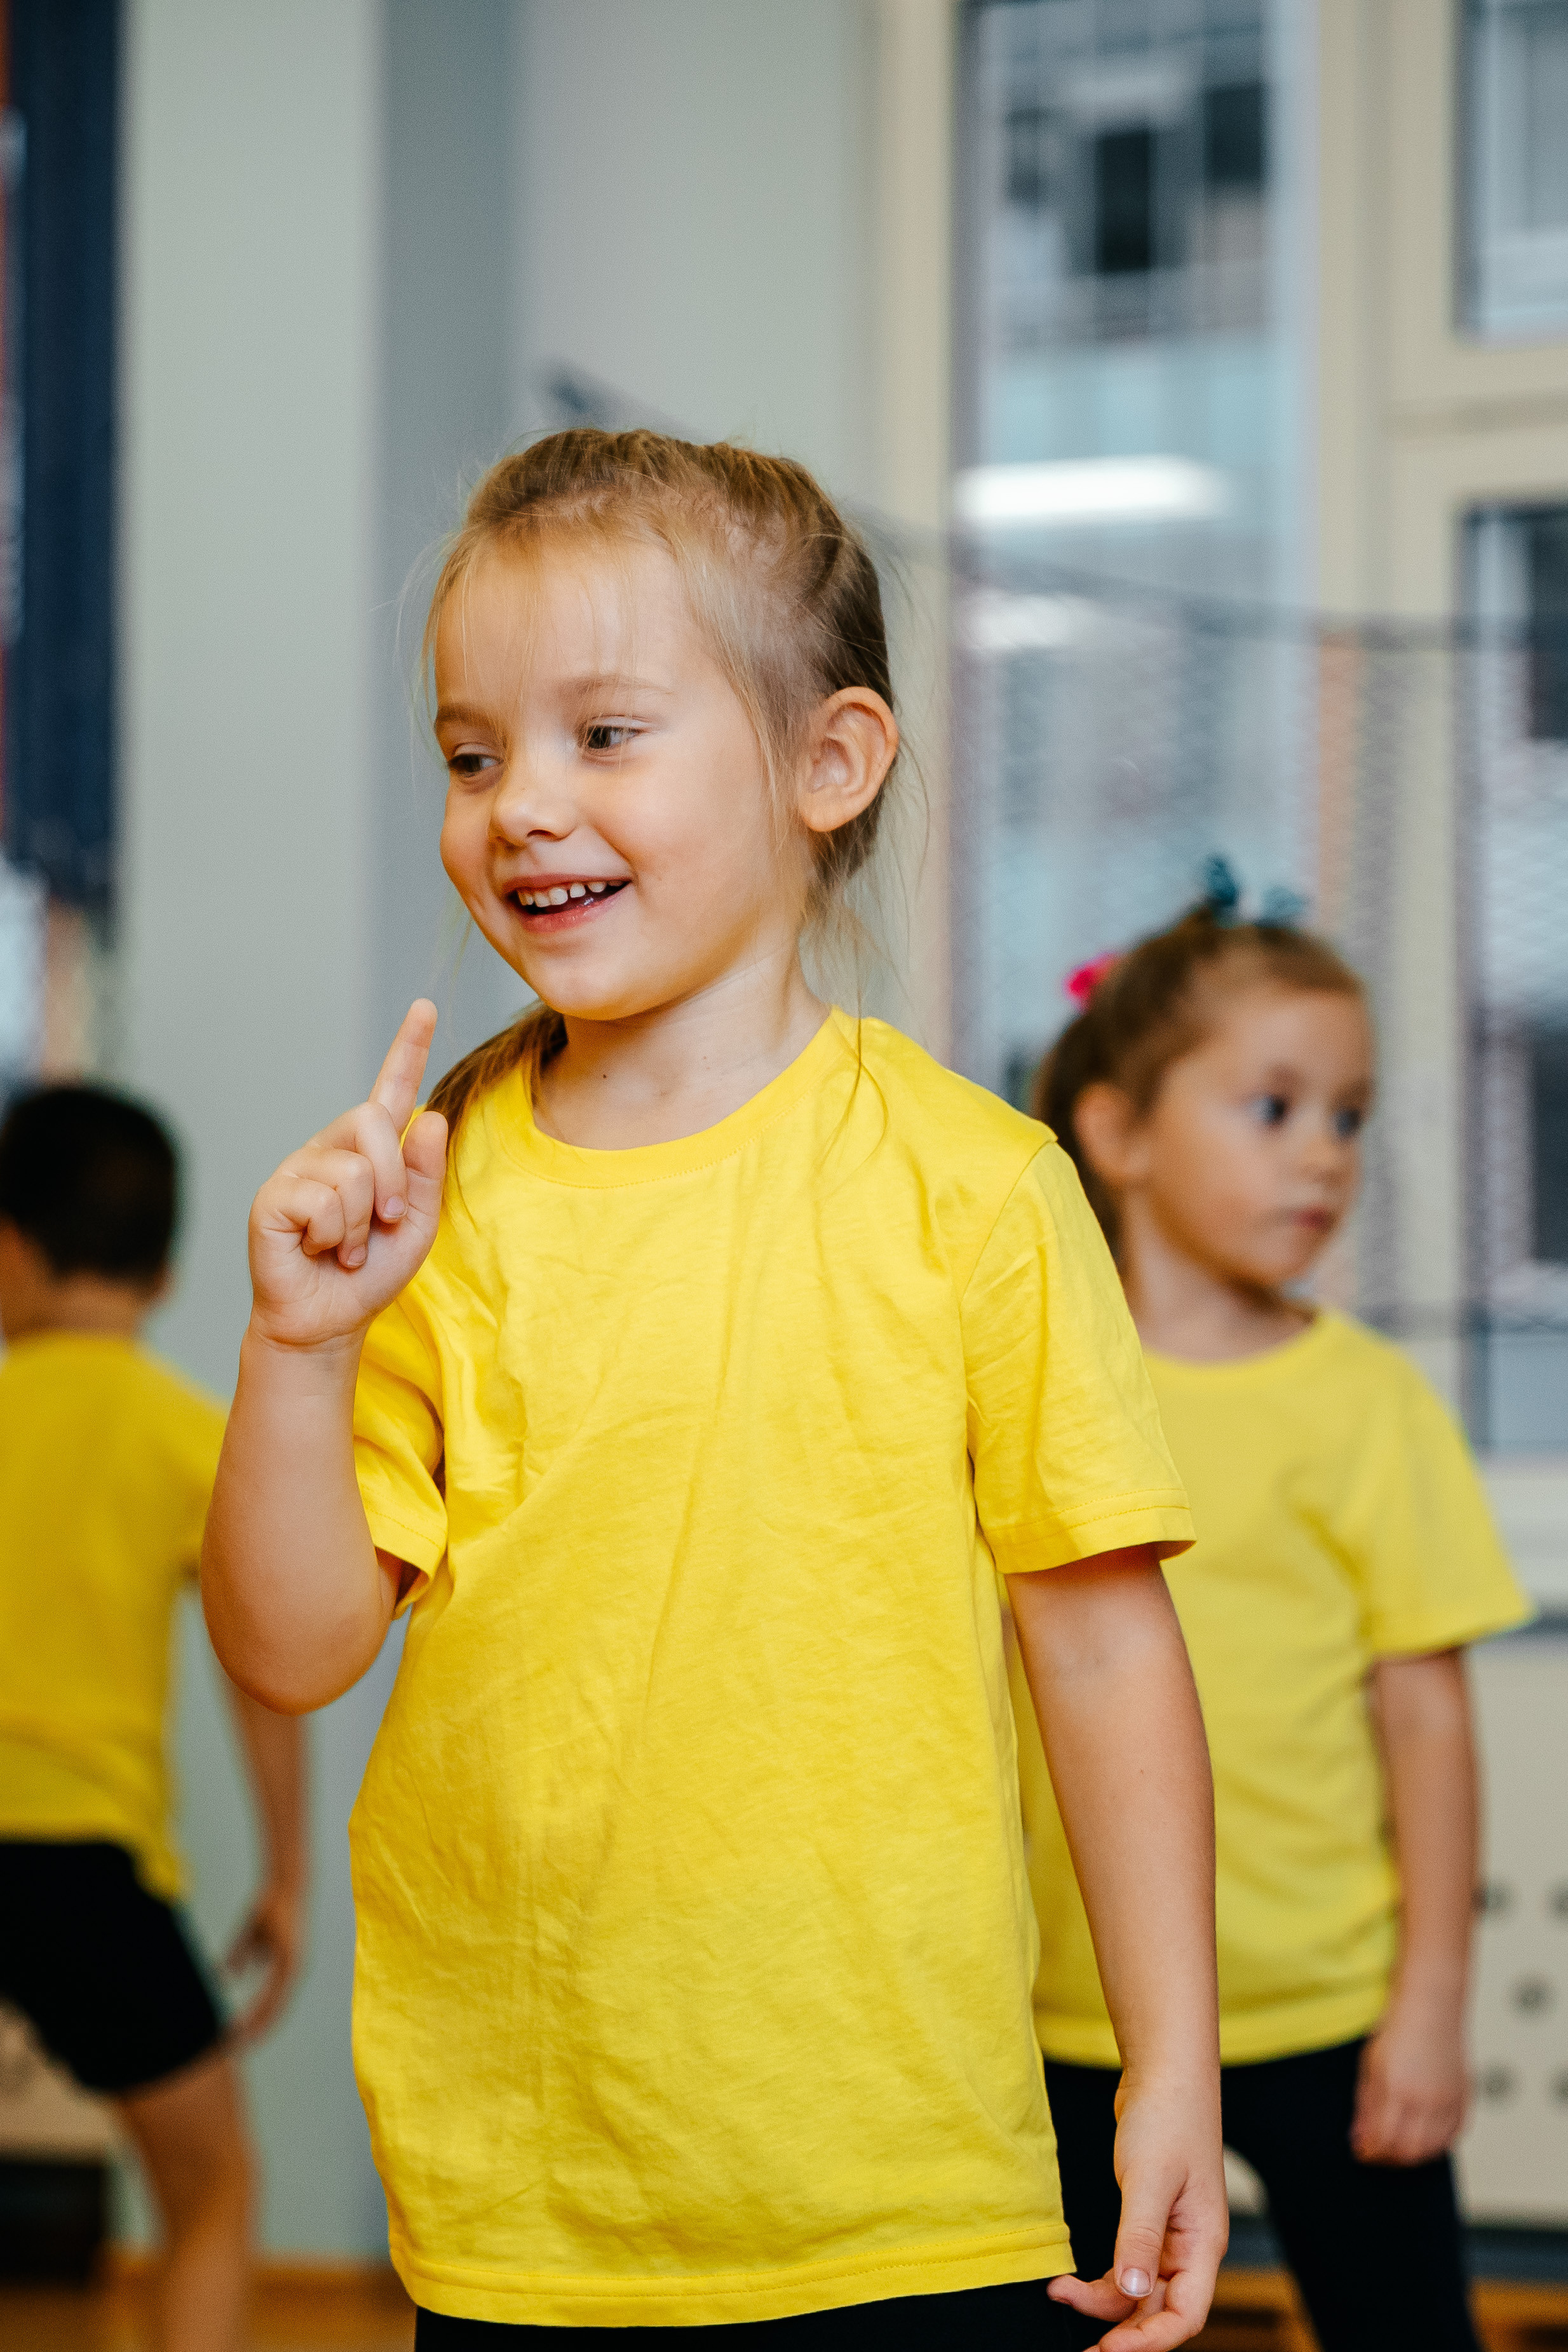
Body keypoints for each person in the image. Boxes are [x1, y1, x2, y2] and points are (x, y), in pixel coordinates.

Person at [201, 431, 1227, 2348]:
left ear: (826, 765)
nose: (519, 807)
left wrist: (1172, 2056)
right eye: (471, 751)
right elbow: (286, 1646)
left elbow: (1098, 1649)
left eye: (604, 733)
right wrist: (297, 1343)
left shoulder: (977, 1188)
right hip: (523, 2202)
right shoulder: (438, 1192)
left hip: (901, 2196)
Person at [1019, 895, 1531, 2352]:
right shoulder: (1036, 1390)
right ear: (1117, 1136)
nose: (1325, 1153)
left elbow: (1427, 1723)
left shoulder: (1366, 1403)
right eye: (1274, 1106)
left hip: (1328, 2012)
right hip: (1068, 2020)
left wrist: (1428, 2005)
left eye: (1350, 1117)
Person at [0, 1085, 307, 2352]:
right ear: (172, 1269)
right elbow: (267, 1672)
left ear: (10, 1249)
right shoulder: (194, 1438)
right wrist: (287, 1881)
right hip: (85, 1876)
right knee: (213, 2188)